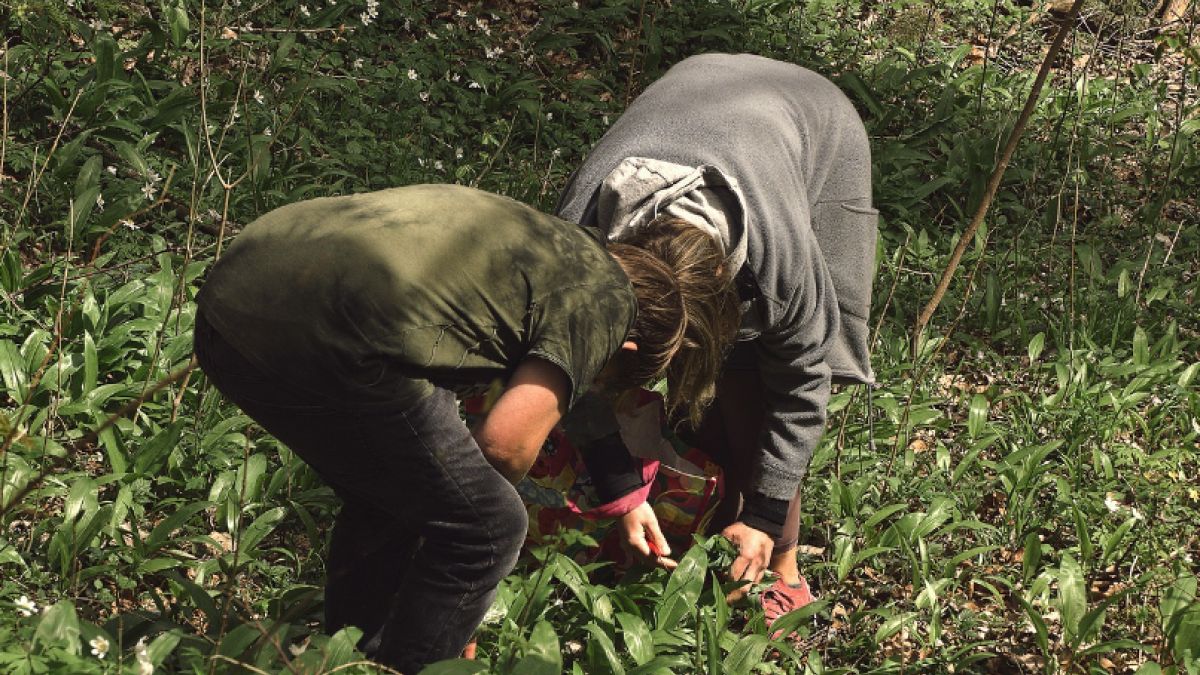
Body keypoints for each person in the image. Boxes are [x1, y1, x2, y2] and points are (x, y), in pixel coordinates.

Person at [192, 184, 728, 671]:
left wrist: (626, 499)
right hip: (333, 336)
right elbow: (504, 448)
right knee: (491, 527)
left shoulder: (556, 244)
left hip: (233, 301)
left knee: (390, 493)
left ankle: (355, 659)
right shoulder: (605, 303)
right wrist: (465, 589)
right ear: (624, 347)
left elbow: (536, 396)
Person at [557, 53, 879, 624]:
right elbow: (571, 365)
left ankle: (781, 563)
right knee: (694, 394)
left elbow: (803, 389)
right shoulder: (577, 238)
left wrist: (765, 517)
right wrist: (621, 492)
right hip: (698, 88)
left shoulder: (783, 271)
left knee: (754, 384)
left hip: (814, 121)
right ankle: (708, 510)